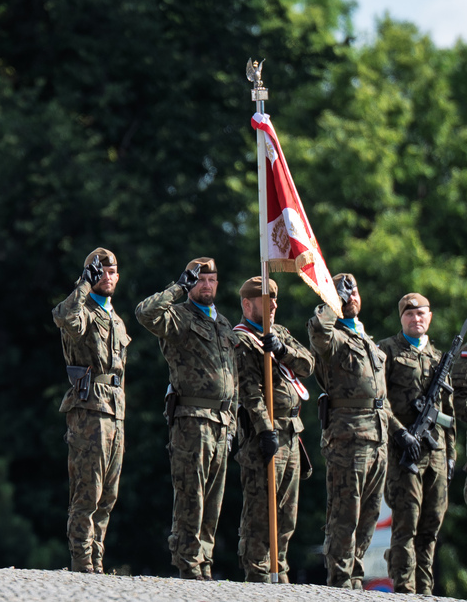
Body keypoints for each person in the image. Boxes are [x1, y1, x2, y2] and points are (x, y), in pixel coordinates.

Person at [308, 273, 415, 589]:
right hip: (348, 438)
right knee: (345, 510)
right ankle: (340, 577)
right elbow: (317, 331)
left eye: (353, 291)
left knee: (368, 513)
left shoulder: (368, 341)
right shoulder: (335, 337)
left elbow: (379, 400)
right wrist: (331, 303)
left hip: (378, 437)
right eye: (344, 292)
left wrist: (398, 432)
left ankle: (354, 575)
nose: (351, 296)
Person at [135, 257, 237, 580]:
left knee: (213, 497)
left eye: (211, 279)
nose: (206, 285)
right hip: (192, 419)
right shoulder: (178, 318)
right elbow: (144, 313)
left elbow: (232, 376)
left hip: (221, 421)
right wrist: (178, 286)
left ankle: (204, 559)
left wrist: (233, 419)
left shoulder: (223, 325)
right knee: (190, 493)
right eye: (200, 280)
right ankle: (187, 560)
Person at [52, 248, 130, 574]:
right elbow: (63, 316)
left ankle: (97, 560)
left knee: (108, 495)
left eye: (112, 272)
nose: (107, 278)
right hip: (88, 409)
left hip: (115, 410)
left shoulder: (115, 318)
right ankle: (81, 561)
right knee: (87, 490)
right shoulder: (81, 310)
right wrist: (84, 283)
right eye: (101, 272)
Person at [232, 277, 314, 583]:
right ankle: (257, 571)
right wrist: (266, 431)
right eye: (267, 301)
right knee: (260, 508)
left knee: (286, 509)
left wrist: (282, 351)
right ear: (248, 304)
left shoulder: (279, 333)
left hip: (292, 429)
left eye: (275, 301)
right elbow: (250, 392)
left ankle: (280, 568)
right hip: (264, 433)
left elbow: (308, 364)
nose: (274, 306)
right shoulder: (241, 340)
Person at [378, 293, 455, 595]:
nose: (416, 319)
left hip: (435, 452)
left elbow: (447, 413)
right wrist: (399, 433)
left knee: (431, 523)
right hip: (403, 452)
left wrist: (451, 454)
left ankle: (424, 590)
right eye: (409, 314)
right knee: (406, 522)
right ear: (402, 319)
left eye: (421, 313)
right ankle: (404, 589)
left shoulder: (438, 357)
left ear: (430, 317)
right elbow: (379, 401)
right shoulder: (387, 351)